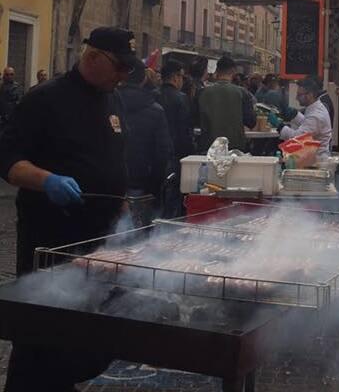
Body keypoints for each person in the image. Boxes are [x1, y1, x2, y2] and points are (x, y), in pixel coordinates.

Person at [0, 26, 137, 391]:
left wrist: (121, 203)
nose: (125, 76)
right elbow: (8, 160)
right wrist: (47, 180)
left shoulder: (113, 99)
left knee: (84, 330)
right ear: (94, 58)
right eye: (120, 67)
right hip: (51, 239)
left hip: (98, 240)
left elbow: (114, 157)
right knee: (40, 331)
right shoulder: (44, 99)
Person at [118, 58, 172, 205]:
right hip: (143, 182)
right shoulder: (156, 110)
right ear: (143, 80)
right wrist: (155, 185)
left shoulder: (107, 103)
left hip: (110, 183)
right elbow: (162, 152)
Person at [158, 60, 194, 217]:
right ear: (175, 77)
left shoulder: (153, 95)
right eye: (182, 77)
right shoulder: (181, 98)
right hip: (176, 156)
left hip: (157, 154)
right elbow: (185, 130)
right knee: (173, 199)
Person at [197, 55, 256, 151]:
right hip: (235, 148)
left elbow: (196, 120)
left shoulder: (202, 93)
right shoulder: (242, 93)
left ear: (217, 70)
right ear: (233, 71)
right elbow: (251, 122)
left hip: (209, 148)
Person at [280, 75, 333, 158]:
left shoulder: (316, 116)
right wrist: (295, 115)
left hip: (317, 161)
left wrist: (280, 127)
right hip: (311, 156)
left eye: (299, 95)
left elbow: (297, 138)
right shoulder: (315, 107)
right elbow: (307, 124)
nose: (296, 98)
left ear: (310, 95)